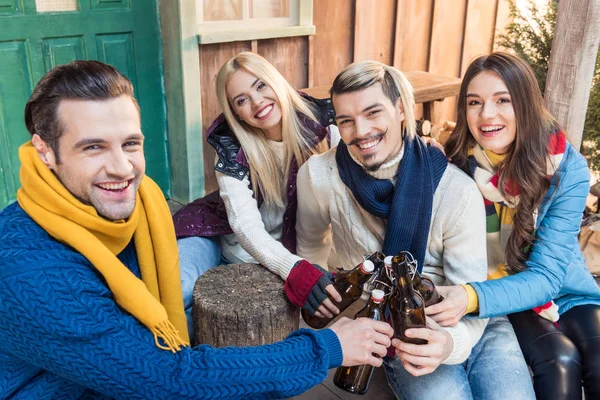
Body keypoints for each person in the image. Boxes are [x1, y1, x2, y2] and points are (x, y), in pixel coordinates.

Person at [0, 60, 395, 399]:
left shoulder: (135, 209)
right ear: (45, 151)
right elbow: (167, 378)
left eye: (130, 143)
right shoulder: (32, 272)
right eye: (93, 147)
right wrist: (326, 348)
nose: (121, 168)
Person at [295, 60, 536, 400]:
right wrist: (318, 291)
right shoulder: (319, 177)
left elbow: (472, 290)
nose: (361, 131)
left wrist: (452, 342)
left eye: (373, 113)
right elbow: (310, 250)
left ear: (400, 110)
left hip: (473, 318)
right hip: (398, 325)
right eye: (346, 120)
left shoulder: (456, 191)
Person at [430, 52, 600, 400]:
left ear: (525, 102)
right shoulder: (454, 168)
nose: (486, 115)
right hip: (502, 292)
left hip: (562, 286)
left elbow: (549, 275)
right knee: (559, 362)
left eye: (502, 100)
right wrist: (471, 295)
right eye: (474, 102)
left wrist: (471, 297)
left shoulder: (566, 167)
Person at [173, 52, 342, 338]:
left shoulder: (323, 123)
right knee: (177, 293)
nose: (257, 102)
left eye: (260, 85)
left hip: (276, 253)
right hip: (215, 233)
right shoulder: (230, 146)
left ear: (275, 81)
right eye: (241, 100)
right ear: (234, 112)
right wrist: (297, 269)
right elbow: (245, 227)